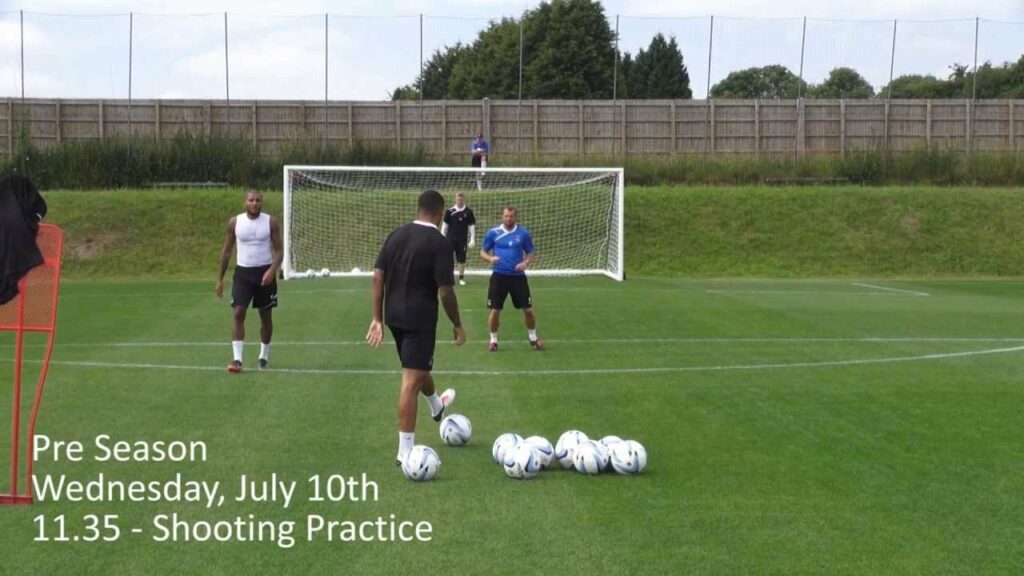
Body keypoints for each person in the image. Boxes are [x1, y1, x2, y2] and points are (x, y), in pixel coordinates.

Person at [366, 189, 466, 467]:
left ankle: (436, 405)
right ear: (439, 212)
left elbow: (377, 279)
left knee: (418, 367)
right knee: (410, 382)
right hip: (419, 320)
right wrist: (457, 323)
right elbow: (445, 291)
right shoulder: (440, 243)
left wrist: (377, 318)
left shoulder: (396, 235)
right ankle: (404, 451)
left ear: (419, 208)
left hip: (393, 317)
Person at [215, 190, 283, 373]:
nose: (254, 203)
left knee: (265, 315)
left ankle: (264, 355)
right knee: (238, 312)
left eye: (258, 200)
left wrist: (271, 271)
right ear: (245, 202)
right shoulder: (235, 223)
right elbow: (227, 251)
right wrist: (219, 279)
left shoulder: (270, 222)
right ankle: (237, 359)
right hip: (243, 274)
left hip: (264, 273)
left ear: (262, 202)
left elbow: (279, 251)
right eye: (251, 200)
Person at [480, 206, 543, 352]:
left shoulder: (523, 233)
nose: (508, 219)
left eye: (511, 216)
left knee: (528, 310)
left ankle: (533, 338)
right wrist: (490, 258)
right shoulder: (493, 233)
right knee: (495, 310)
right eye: (506, 216)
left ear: (516, 217)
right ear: (502, 216)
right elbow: (483, 252)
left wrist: (525, 263)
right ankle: (493, 340)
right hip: (499, 277)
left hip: (518, 278)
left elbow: (530, 252)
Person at [441, 191, 477, 287]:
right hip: (450, 239)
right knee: (448, 258)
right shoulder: (450, 211)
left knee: (461, 259)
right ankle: (448, 277)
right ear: (455, 199)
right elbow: (445, 225)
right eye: (458, 199)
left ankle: (461, 278)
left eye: (461, 199)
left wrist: (472, 238)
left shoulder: (468, 212)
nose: (459, 201)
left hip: (462, 240)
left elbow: (471, 226)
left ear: (463, 199)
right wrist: (442, 236)